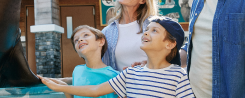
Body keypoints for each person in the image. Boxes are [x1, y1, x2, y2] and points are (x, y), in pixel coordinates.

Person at [38, 17, 195, 98]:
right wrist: (59, 87)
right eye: (146, 29)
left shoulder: (179, 76)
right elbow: (96, 89)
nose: (146, 32)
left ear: (170, 44)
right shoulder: (130, 74)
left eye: (154, 31)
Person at [38, 25, 119, 98]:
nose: (80, 40)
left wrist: (61, 87)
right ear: (78, 53)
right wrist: (64, 87)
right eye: (76, 40)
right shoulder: (77, 70)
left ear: (101, 41)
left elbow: (95, 91)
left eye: (86, 35)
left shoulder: (115, 76)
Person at [102, 0, 158, 71]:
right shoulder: (107, 32)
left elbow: (169, 59)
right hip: (122, 86)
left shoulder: (156, 26)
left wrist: (150, 64)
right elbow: (104, 69)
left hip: (151, 84)